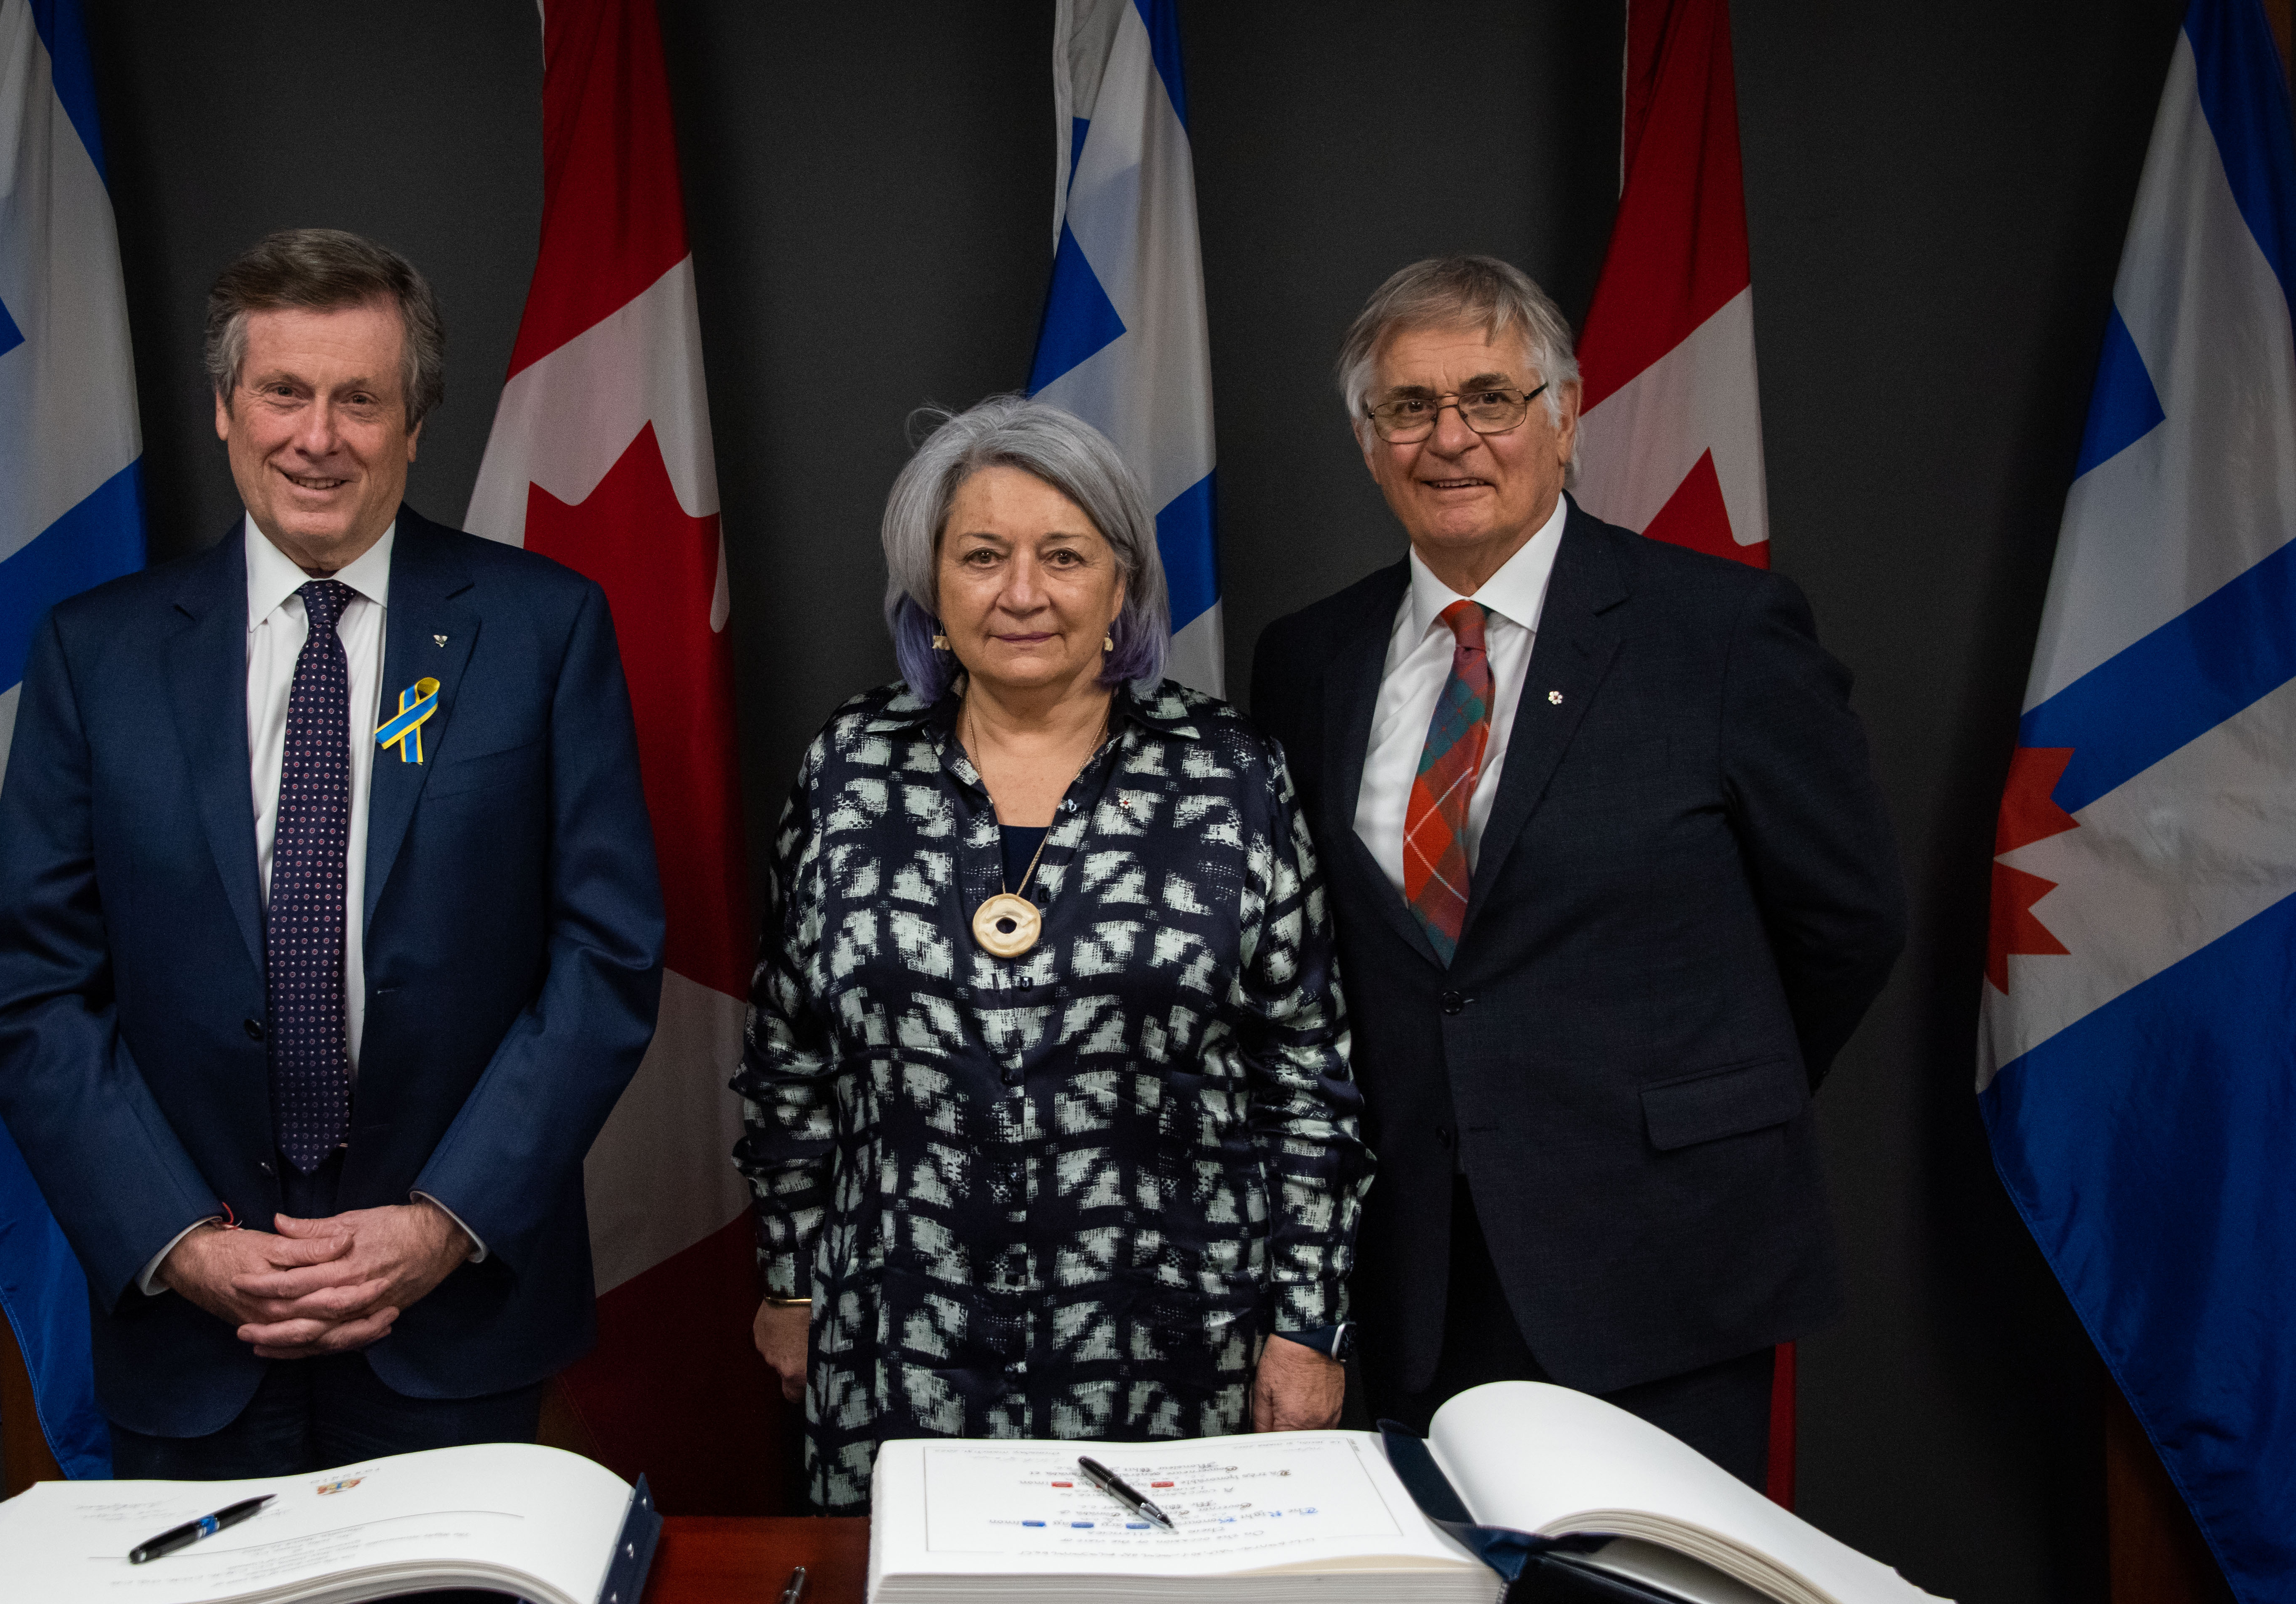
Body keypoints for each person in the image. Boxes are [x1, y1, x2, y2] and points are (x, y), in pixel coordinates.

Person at [0, 229, 663, 1478]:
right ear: (225, 408)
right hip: (194, 1326)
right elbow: (31, 986)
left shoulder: (543, 629)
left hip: (454, 1319)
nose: (318, 438)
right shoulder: (96, 653)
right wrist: (181, 1242)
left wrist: (442, 1223)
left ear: (416, 422)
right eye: (284, 392)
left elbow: (605, 959)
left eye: (361, 400)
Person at [1250, 255, 1905, 1488]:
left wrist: (1685, 1100)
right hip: (1410, 1268)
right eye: (1410, 406)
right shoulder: (1306, 660)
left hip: (1660, 1255)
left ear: (1564, 415)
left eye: (1490, 398)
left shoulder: (1722, 633)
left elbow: (1847, 920)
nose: (1451, 438)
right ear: (1368, 441)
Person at [734, 395, 1372, 1513]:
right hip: (899, 1337)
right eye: (982, 556)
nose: (1021, 592)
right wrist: (790, 1281)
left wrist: (1308, 1327)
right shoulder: (850, 766)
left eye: (1064, 556)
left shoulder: (1229, 773)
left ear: (1122, 586)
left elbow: (1306, 1080)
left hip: (1176, 1346)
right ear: (932, 586)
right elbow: (789, 1059)